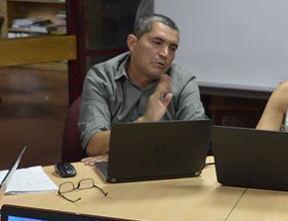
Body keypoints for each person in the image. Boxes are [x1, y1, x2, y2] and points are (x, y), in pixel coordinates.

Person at [78, 13, 207, 156]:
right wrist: (146, 121)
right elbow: (94, 145)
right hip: (116, 171)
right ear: (133, 43)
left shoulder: (183, 82)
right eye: (157, 42)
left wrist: (116, 147)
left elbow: (198, 141)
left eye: (172, 48)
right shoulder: (101, 77)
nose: (165, 53)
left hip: (165, 167)